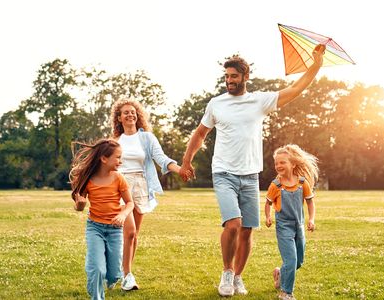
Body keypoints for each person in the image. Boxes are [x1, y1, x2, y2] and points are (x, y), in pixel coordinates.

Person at [179, 44, 326, 296]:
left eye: (234, 76)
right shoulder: (216, 104)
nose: (229, 81)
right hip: (223, 172)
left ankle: (238, 277)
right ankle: (226, 272)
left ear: (246, 77)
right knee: (233, 224)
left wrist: (316, 65)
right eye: (226, 77)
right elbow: (201, 133)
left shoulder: (259, 101)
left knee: (247, 230)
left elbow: (296, 88)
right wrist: (186, 160)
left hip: (249, 175)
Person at [110, 99, 189, 291]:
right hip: (120, 185)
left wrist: (180, 170)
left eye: (133, 112)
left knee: (133, 234)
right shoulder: (114, 141)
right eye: (125, 113)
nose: (130, 115)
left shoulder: (146, 138)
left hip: (140, 185)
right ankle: (127, 276)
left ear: (137, 115)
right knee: (128, 231)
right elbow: (104, 163)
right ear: (119, 118)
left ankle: (121, 272)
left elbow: (161, 158)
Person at [69, 139, 134, 300]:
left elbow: (130, 203)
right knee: (97, 268)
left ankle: (111, 279)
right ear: (104, 158)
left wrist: (122, 214)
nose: (120, 161)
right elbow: (78, 206)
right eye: (118, 157)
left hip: (114, 231)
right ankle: (97, 295)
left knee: (113, 274)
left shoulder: (119, 179)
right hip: (95, 228)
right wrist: (80, 205)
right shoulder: (88, 180)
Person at [264, 144, 317, 300]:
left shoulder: (302, 183)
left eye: (282, 162)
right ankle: (286, 293)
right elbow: (268, 202)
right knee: (291, 260)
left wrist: (311, 219)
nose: (278, 166)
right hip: (283, 228)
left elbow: (310, 202)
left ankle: (280, 274)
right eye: (276, 163)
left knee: (298, 261)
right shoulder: (275, 185)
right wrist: (268, 217)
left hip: (299, 226)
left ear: (293, 164)